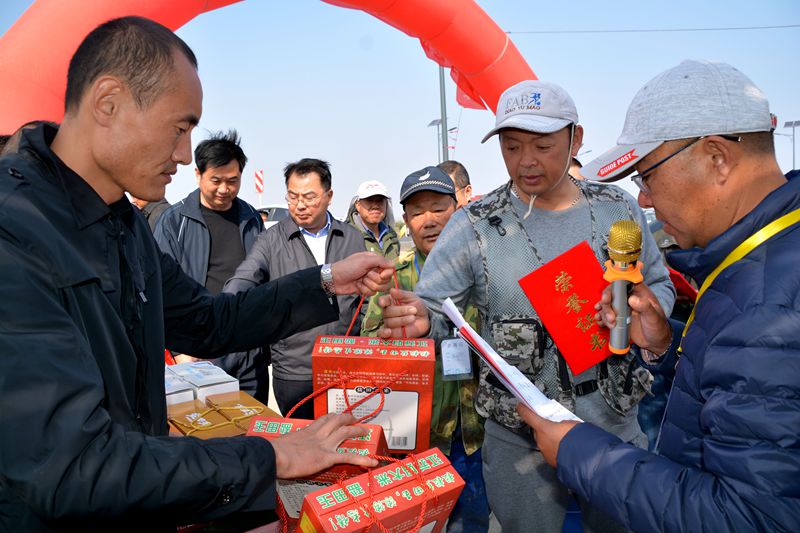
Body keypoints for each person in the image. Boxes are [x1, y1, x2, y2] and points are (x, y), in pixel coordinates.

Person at [0, 17, 393, 530]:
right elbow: (73, 466)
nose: (186, 156)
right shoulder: (14, 230)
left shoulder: (125, 225)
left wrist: (325, 280)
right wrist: (268, 457)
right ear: (108, 103)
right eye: (179, 128)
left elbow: (208, 321)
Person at [377, 80, 675, 532]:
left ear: (575, 138)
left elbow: (657, 284)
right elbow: (435, 308)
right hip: (519, 435)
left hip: (613, 422)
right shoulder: (476, 224)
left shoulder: (617, 209)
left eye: (542, 145)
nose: (526, 161)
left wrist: (647, 312)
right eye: (512, 147)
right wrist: (421, 318)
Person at [519, 60, 800, 532]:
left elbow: (749, 517)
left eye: (647, 176)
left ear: (717, 158)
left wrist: (578, 452)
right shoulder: (763, 260)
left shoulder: (769, 306)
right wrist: (667, 344)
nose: (644, 200)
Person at [362, 166, 489, 532]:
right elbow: (371, 345)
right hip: (415, 434)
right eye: (417, 212)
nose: (429, 220)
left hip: (474, 430)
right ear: (406, 221)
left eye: (438, 208)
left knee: (471, 520)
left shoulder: (486, 269)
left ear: (458, 210)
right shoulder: (393, 277)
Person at [224, 158, 366, 418]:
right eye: (292, 197)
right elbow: (245, 277)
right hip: (295, 371)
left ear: (329, 196)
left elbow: (366, 300)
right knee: (302, 437)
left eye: (309, 197)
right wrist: (224, 308)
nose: (300, 205)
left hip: (346, 365)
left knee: (347, 437)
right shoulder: (271, 240)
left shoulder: (352, 238)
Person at [154, 129, 262, 296]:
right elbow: (162, 280)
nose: (224, 189)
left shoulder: (252, 219)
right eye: (216, 181)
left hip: (244, 311)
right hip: (194, 311)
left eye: (232, 181)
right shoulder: (174, 221)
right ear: (198, 175)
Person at [347, 179, 400, 260]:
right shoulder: (346, 236)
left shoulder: (392, 236)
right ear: (358, 205)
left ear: (386, 204)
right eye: (369, 200)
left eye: (380, 201)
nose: (375, 206)